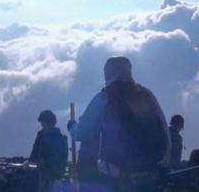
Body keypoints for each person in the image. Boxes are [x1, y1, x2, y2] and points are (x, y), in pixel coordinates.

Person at [68, 56, 170, 192]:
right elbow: (165, 134)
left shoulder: (104, 98)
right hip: (149, 177)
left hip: (116, 177)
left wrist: (72, 126)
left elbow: (82, 133)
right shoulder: (147, 95)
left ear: (107, 75)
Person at [27, 110, 68, 192]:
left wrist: (58, 176)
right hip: (43, 173)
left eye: (44, 123)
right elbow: (35, 152)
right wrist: (29, 161)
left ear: (50, 123)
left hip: (55, 174)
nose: (42, 126)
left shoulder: (60, 138)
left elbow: (62, 158)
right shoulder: (41, 135)